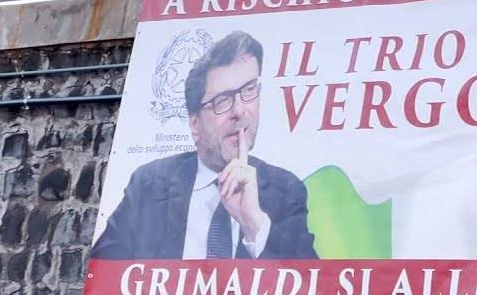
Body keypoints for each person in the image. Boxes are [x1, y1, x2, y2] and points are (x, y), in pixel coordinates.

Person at [90, 31, 317, 260]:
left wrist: (254, 224)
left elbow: (309, 286)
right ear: (195, 124)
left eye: (249, 90)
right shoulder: (148, 185)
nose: (240, 111)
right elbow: (103, 278)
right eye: (223, 100)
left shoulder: (286, 190)